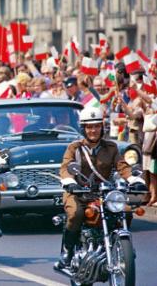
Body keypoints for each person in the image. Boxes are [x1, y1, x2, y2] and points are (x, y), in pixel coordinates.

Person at [56, 106, 147, 269]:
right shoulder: (74, 148)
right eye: (89, 127)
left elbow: (123, 166)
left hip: (103, 193)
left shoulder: (111, 147)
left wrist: (134, 179)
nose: (93, 130)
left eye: (96, 126)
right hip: (78, 193)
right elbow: (65, 167)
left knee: (125, 210)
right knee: (75, 214)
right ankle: (68, 251)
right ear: (83, 128)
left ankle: (119, 244)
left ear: (102, 127)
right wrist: (70, 182)